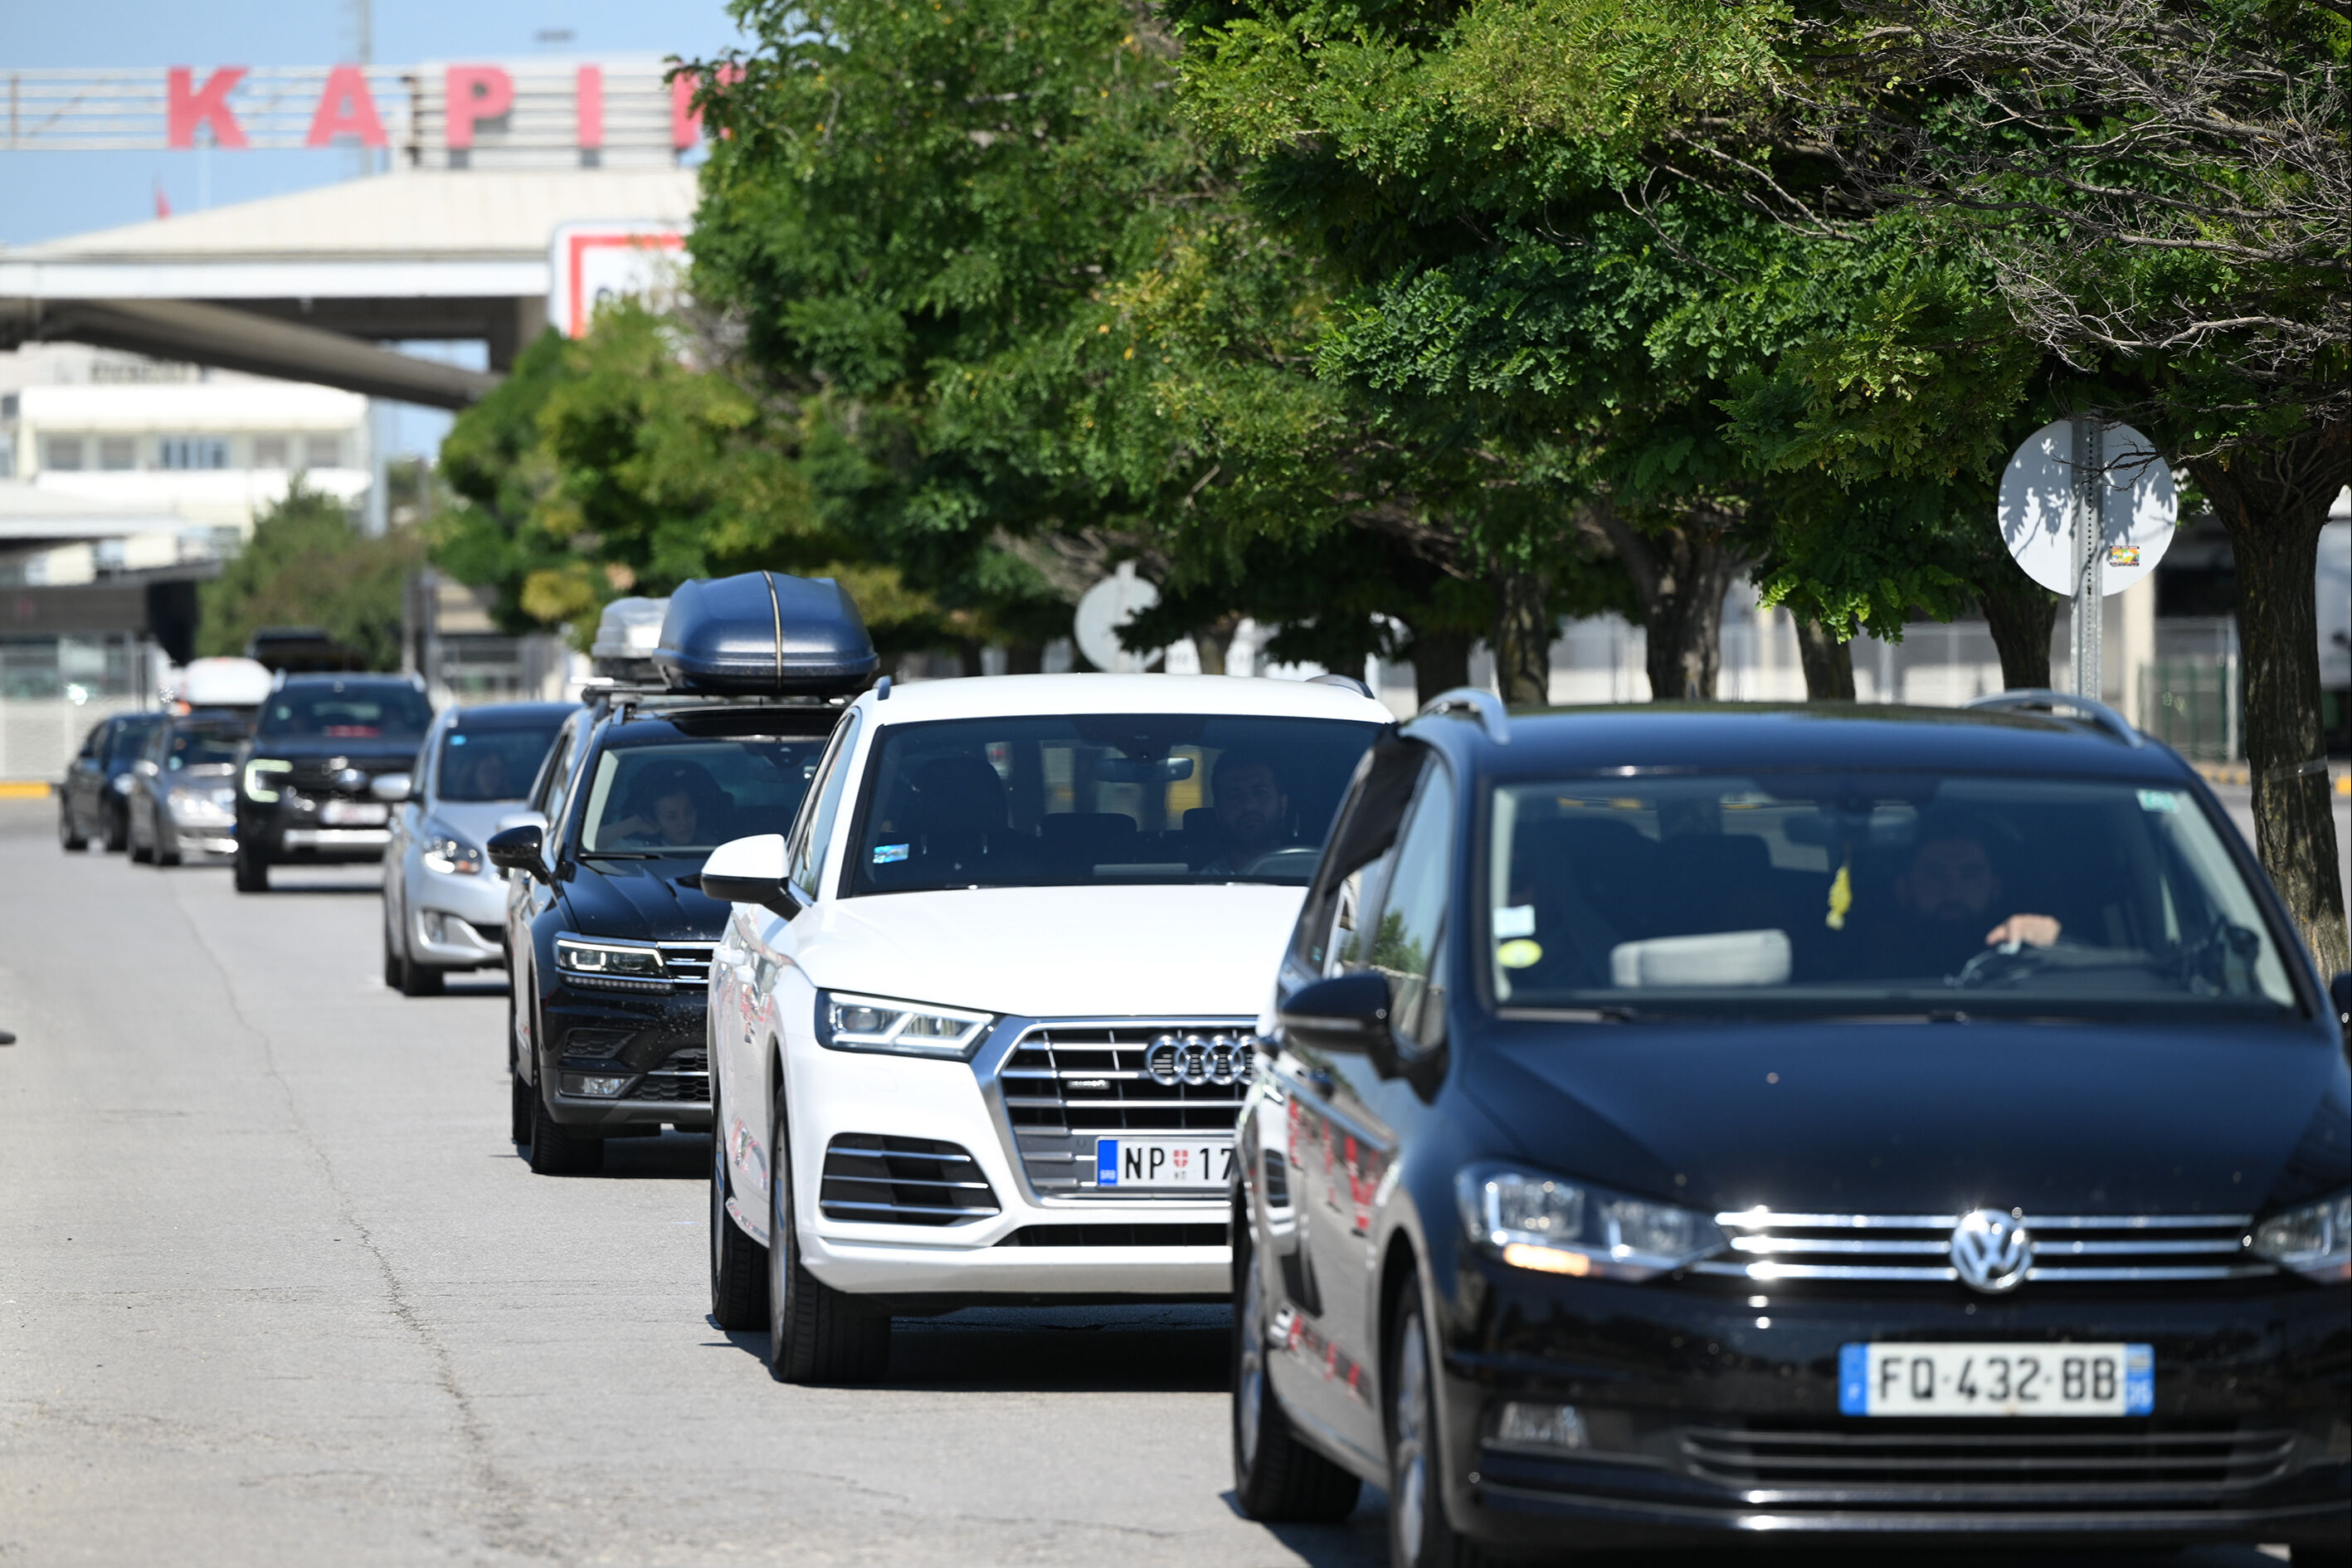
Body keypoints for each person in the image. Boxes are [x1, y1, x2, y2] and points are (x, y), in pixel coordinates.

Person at [1885, 812, 2061, 976]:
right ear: (1903, 889)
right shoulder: (1873, 966)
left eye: (1971, 875)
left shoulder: (2027, 956)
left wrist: (2046, 946)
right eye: (1935, 876)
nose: (1952, 893)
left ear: (1996, 888)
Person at [1199, 751, 1290, 874]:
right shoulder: (1198, 883)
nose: (1248, 806)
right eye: (1234, 796)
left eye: (1260, 792)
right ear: (1218, 812)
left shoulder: (1311, 876)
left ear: (1283, 804)